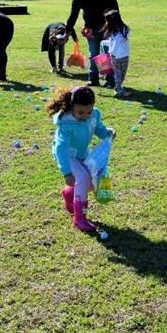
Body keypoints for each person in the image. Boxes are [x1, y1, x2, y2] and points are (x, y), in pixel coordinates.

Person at [49, 86, 114, 233]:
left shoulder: (94, 115)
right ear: (72, 106)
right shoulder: (66, 124)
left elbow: (99, 129)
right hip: (68, 156)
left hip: (83, 153)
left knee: (93, 180)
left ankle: (69, 193)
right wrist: (67, 172)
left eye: (88, 112)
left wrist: (107, 133)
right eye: (80, 112)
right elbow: (61, 149)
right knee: (83, 178)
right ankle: (80, 219)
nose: (85, 116)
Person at [66, 0, 120, 88]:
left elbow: (114, 8)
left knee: (106, 55)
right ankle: (93, 79)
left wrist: (114, 25)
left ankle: (110, 80)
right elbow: (73, 15)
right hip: (90, 29)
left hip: (106, 27)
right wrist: (67, 31)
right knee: (94, 54)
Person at [102, 9, 132, 98]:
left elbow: (116, 42)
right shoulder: (120, 30)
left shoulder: (120, 30)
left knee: (120, 74)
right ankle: (118, 90)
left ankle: (118, 88)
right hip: (119, 56)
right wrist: (104, 43)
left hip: (119, 55)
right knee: (119, 74)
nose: (106, 23)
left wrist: (112, 52)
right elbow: (114, 42)